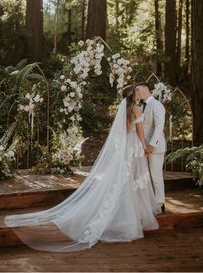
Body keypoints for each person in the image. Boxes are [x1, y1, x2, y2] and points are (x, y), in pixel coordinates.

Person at [4, 85, 161, 252]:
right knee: (133, 180)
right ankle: (130, 219)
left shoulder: (123, 108)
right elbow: (140, 130)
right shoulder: (136, 108)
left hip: (124, 148)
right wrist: (145, 146)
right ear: (134, 95)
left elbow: (121, 131)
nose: (139, 94)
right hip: (134, 147)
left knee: (123, 181)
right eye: (137, 92)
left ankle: (126, 216)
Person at [135, 83, 166, 213]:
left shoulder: (157, 104)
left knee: (156, 176)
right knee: (146, 176)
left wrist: (151, 145)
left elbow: (159, 126)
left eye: (138, 89)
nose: (136, 92)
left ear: (145, 89)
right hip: (144, 147)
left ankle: (160, 203)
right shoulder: (142, 106)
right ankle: (150, 203)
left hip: (155, 147)